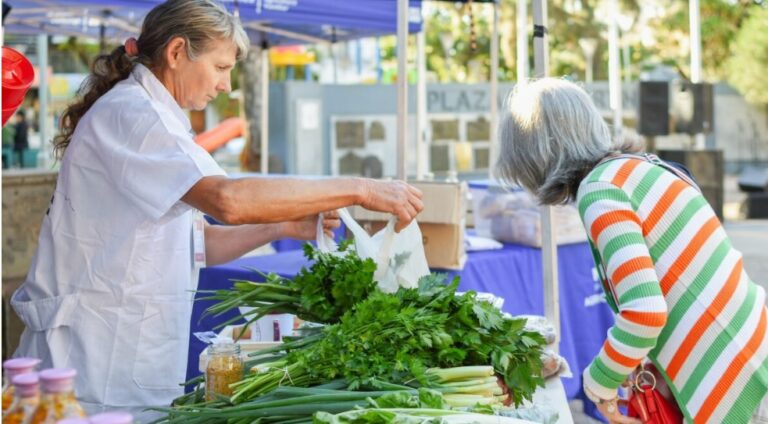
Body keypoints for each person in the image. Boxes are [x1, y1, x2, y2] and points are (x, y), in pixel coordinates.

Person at [10, 0, 423, 416]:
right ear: (176, 53)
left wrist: (283, 226)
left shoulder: (156, 116)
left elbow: (191, 243)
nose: (226, 85)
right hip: (93, 361)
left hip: (119, 355)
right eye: (221, 67)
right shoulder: (134, 114)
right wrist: (357, 189)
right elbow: (228, 200)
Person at [496, 78, 768, 424]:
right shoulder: (642, 168)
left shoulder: (600, 191)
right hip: (750, 357)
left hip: (733, 384)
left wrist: (598, 381)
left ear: (535, 156)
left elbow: (645, 314)